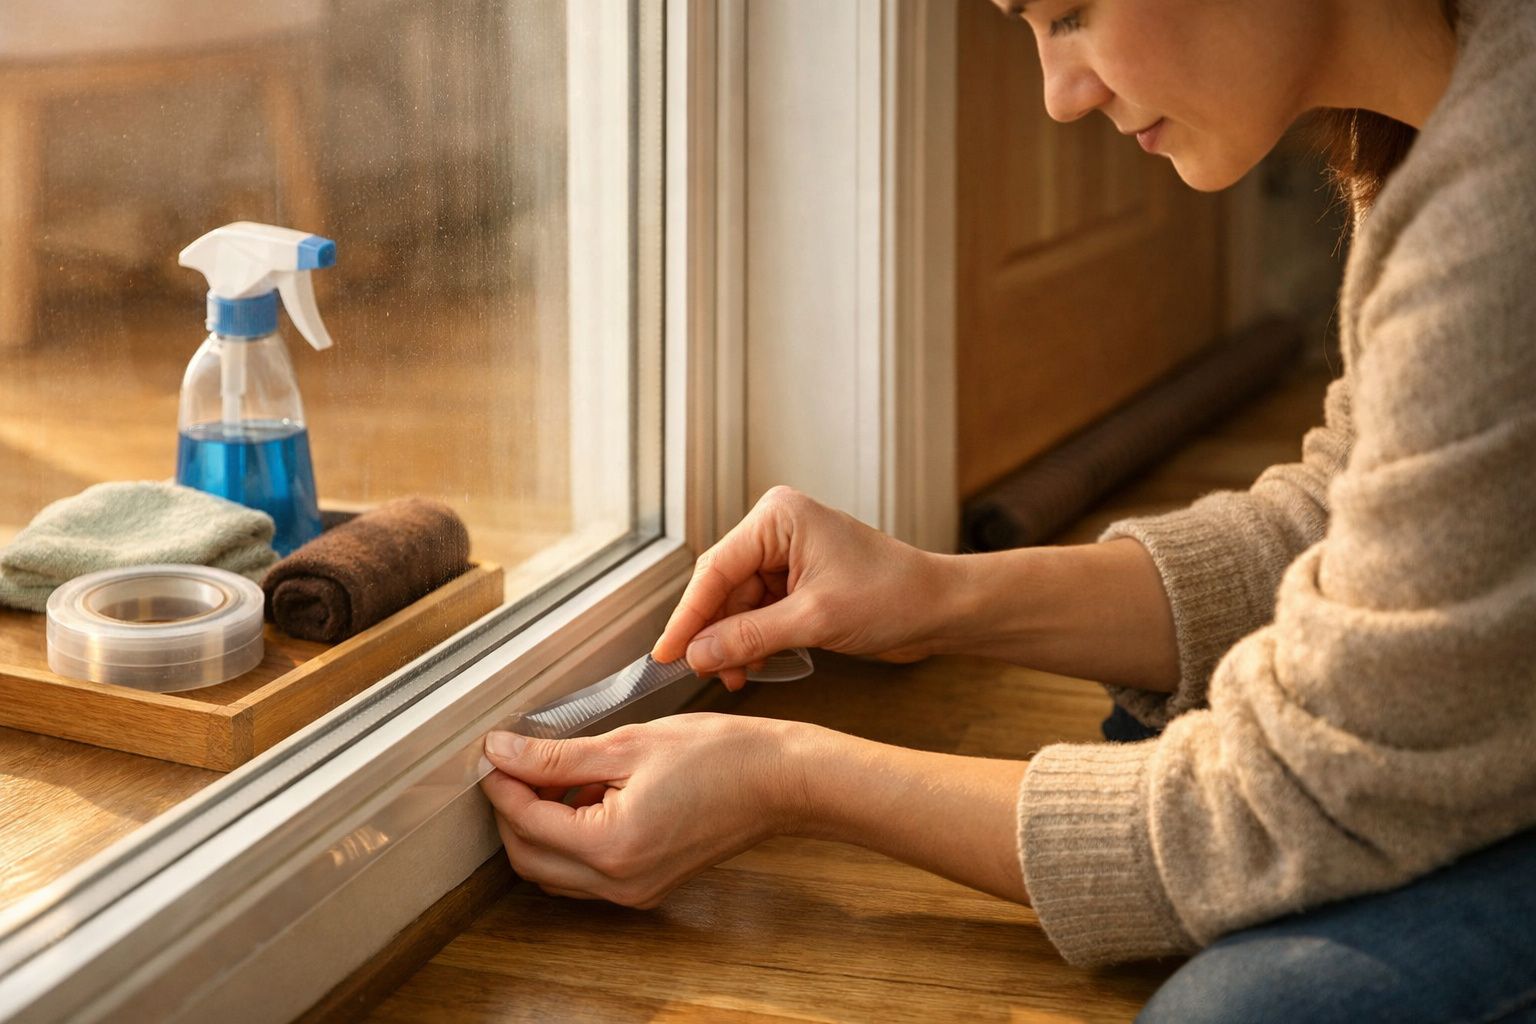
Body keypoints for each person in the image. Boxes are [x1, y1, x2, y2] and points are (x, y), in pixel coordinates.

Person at [480, 0, 1536, 1018]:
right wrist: (937, 596)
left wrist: (791, 777)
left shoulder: (1496, 206)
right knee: (1154, 727)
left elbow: (1305, 796)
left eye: (1070, 12)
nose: (1059, 96)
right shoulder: (1435, 106)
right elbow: (1367, 515)